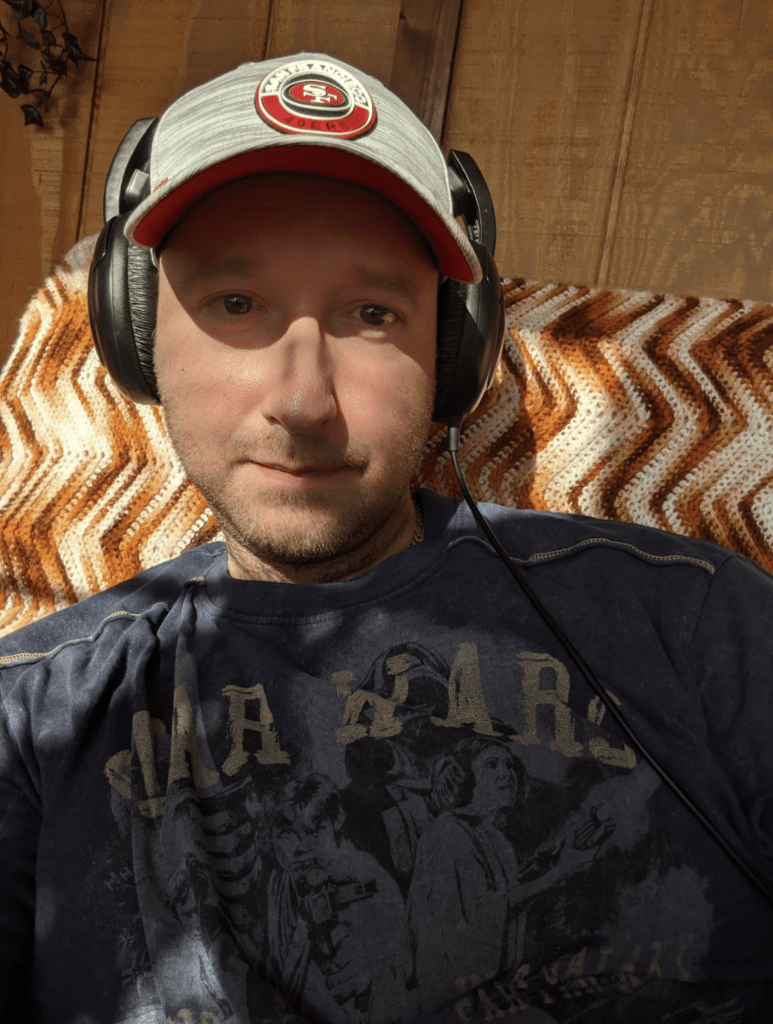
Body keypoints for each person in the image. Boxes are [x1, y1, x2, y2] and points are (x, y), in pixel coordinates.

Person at [0, 50, 772, 1024]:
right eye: (236, 304)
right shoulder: (36, 714)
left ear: (453, 352)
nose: (301, 402)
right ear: (137, 333)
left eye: (370, 314)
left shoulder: (695, 621)